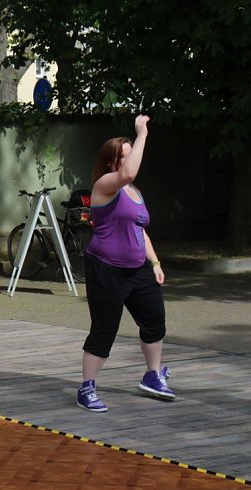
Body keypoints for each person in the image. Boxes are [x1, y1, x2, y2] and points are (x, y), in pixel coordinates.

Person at [76, 115, 174, 413]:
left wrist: (155, 262)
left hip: (138, 270)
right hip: (106, 268)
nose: (132, 160)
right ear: (111, 162)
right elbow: (128, 173)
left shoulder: (135, 193)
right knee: (105, 328)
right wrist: (142, 133)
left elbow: (140, 230)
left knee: (154, 320)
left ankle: (152, 375)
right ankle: (86, 388)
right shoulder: (106, 185)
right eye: (125, 155)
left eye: (133, 153)